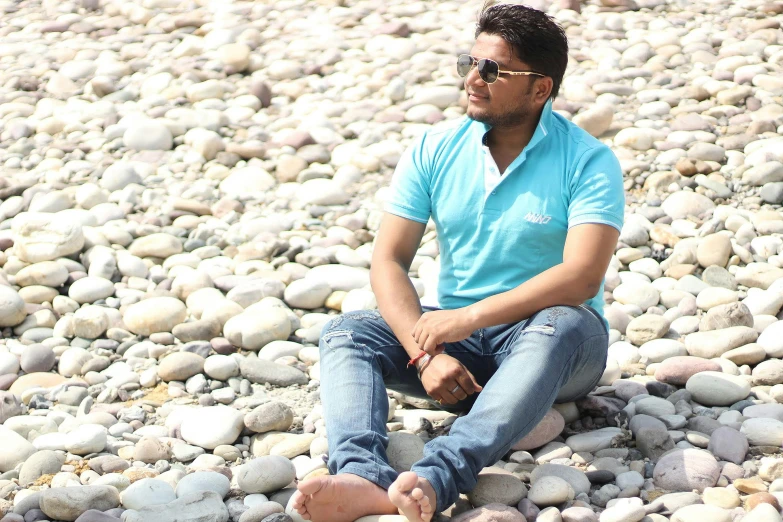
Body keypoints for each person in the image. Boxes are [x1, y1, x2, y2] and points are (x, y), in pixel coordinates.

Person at [291, 3, 625, 522]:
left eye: (494, 70)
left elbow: (581, 278)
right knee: (347, 331)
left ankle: (436, 477)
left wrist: (464, 318)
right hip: (461, 350)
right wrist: (425, 355)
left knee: (561, 322)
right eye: (469, 62)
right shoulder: (433, 147)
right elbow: (389, 260)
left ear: (540, 89)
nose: (474, 78)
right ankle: (361, 475)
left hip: (556, 344)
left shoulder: (588, 160)